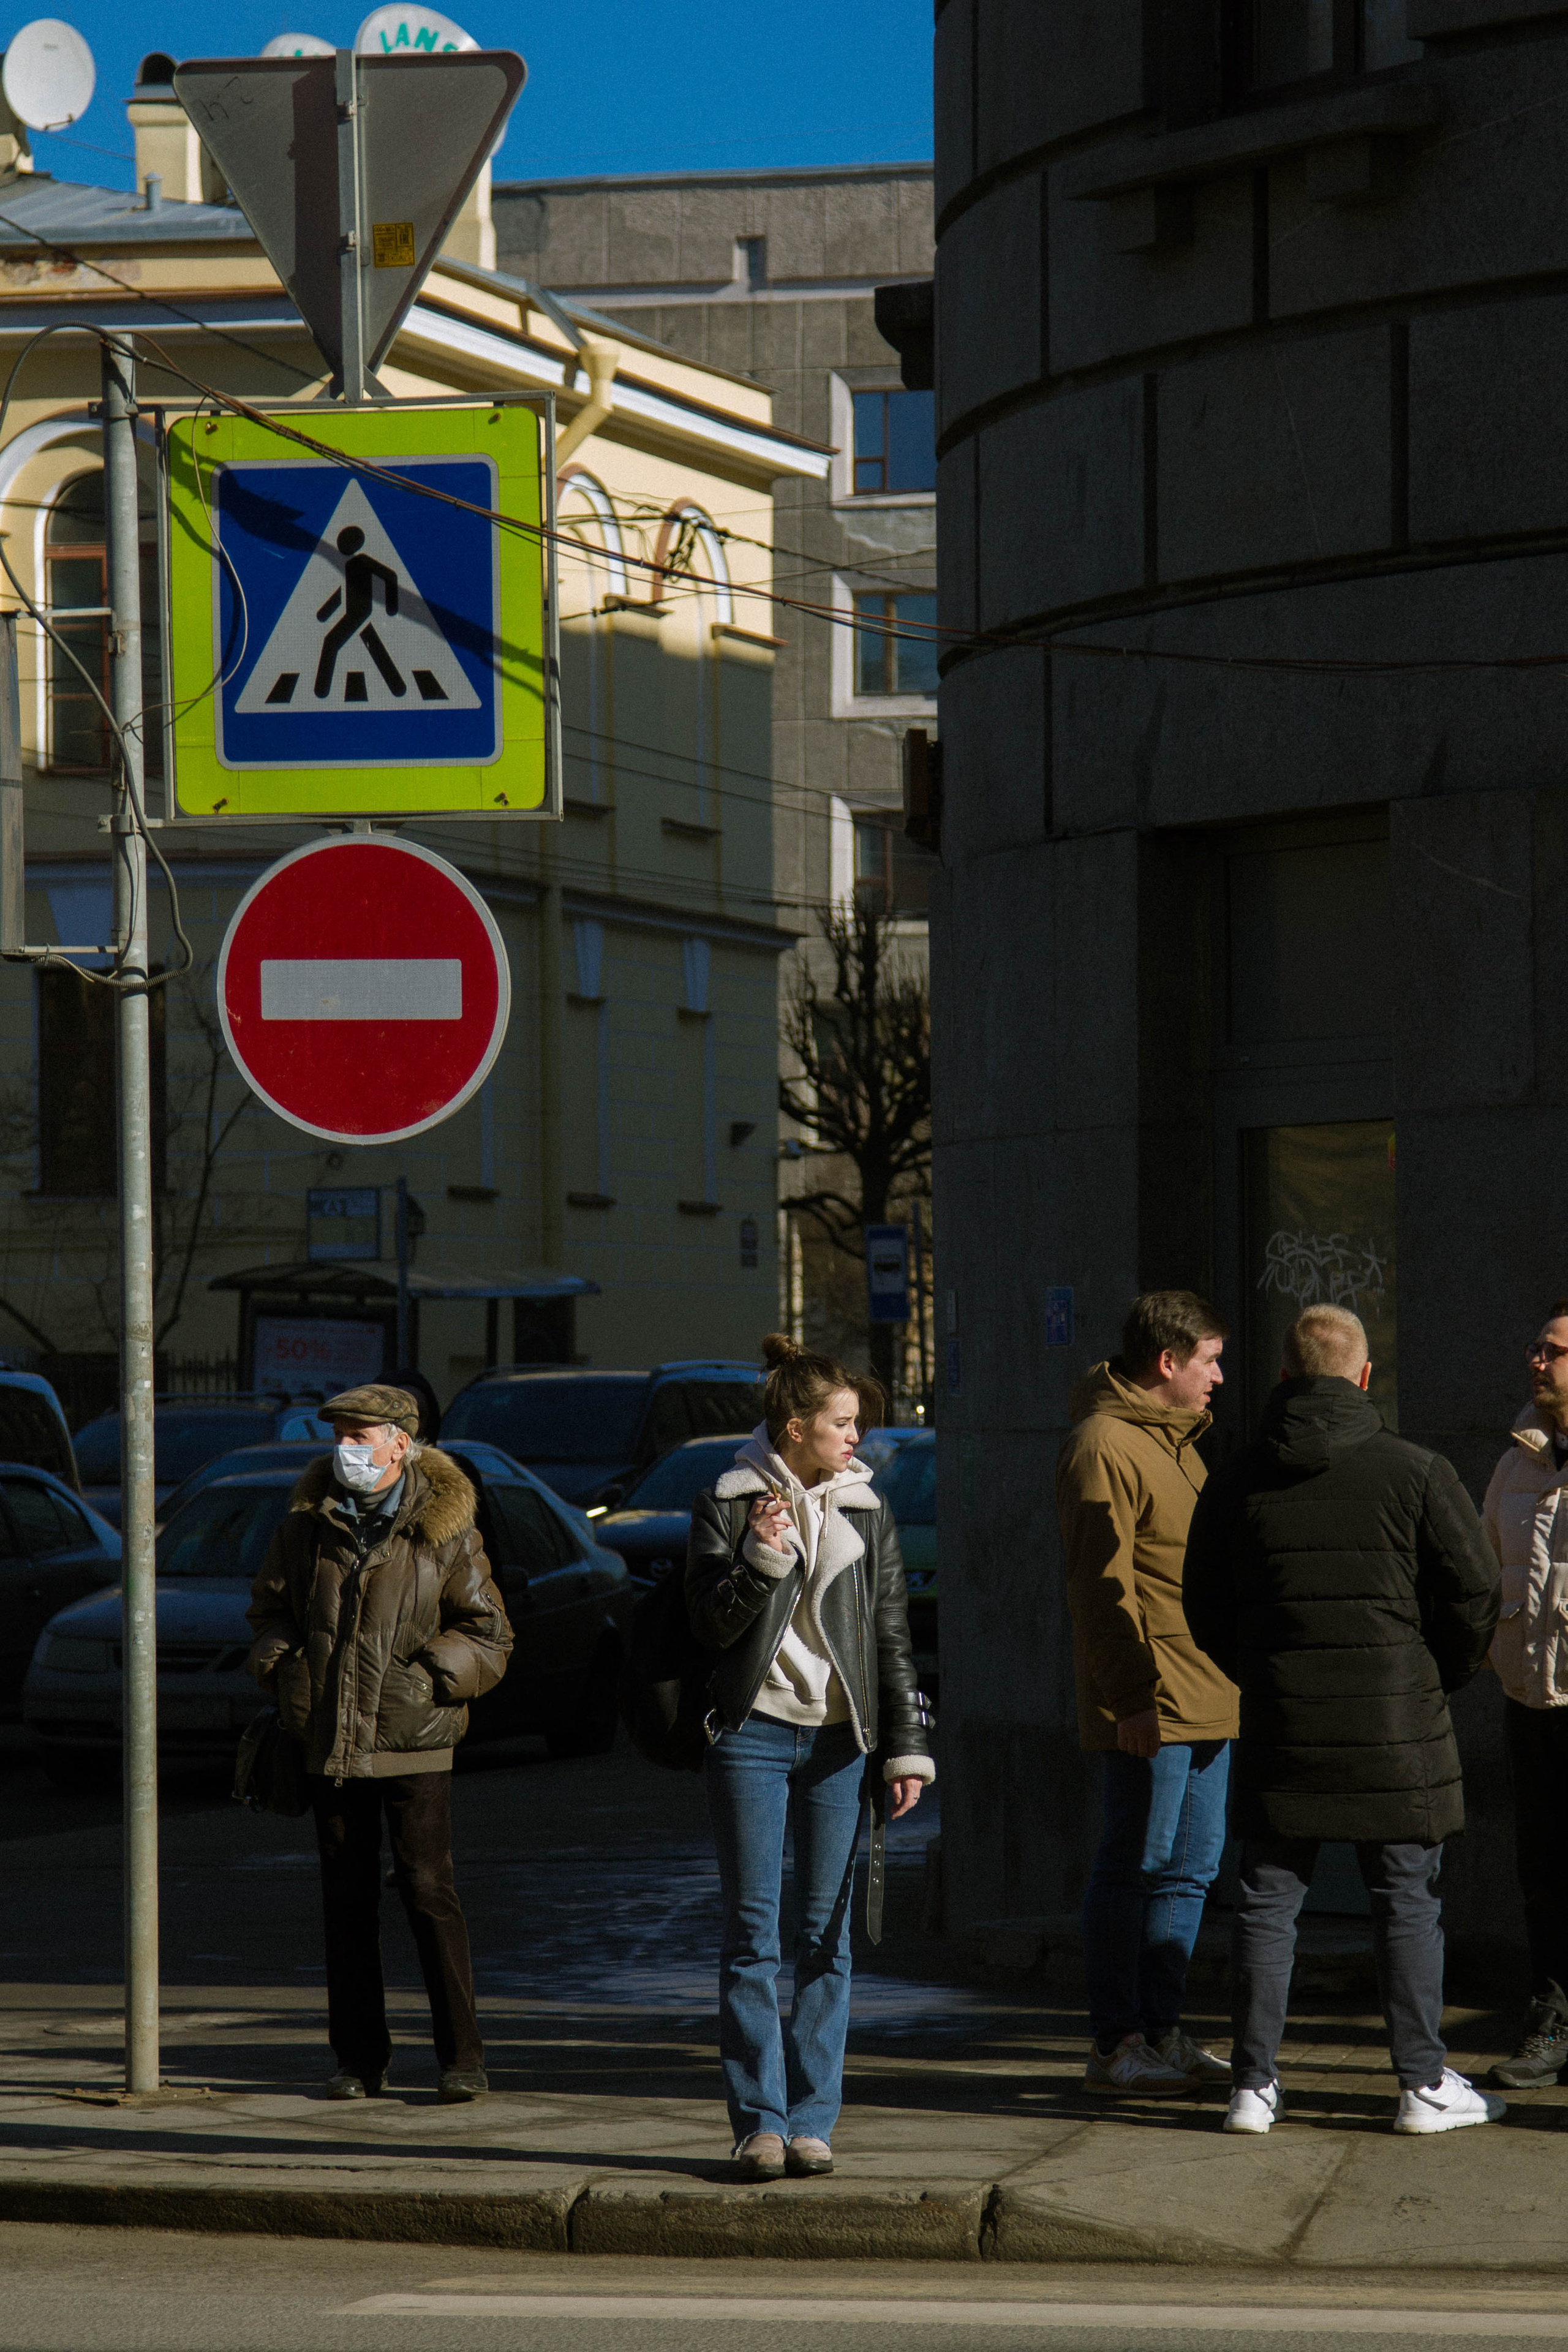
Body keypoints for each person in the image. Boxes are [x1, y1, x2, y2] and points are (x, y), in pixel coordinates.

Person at [1184, 1305, 1503, 2135]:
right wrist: (1439, 1672)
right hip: (1398, 1725)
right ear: (1365, 1377)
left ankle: (1252, 2087)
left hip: (1283, 1722)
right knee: (1405, 1900)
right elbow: (1475, 1592)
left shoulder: (1236, 1479)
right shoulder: (1418, 1471)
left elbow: (1203, 1605)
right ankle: (1421, 2083)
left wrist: (1258, 1672)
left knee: (1266, 1901)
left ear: (1285, 1377)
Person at [685, 1335, 934, 2182]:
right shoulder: (727, 1499)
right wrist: (757, 1559)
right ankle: (760, 2122)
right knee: (753, 1935)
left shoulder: (869, 1509)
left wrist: (905, 1748)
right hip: (750, 1733)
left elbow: (891, 1638)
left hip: (838, 1742)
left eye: (856, 1423)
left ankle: (814, 2122)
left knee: (827, 1934)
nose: (856, 1437)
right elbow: (707, 1630)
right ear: (794, 1429)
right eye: (842, 1423)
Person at [246, 1383, 511, 2102]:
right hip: (330, 1738)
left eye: (362, 1435)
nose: (347, 1449)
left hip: (412, 1741)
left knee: (428, 1890)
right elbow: (269, 1613)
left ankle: (462, 2058)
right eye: (339, 1434)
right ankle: (358, 2060)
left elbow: (489, 1633)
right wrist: (288, 1668)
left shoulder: (445, 1529)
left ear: (402, 1443)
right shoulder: (306, 1526)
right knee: (346, 1899)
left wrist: (427, 1680)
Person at [1057, 1289, 1238, 2098]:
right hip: (1153, 1702)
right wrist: (1132, 1696)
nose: (1220, 1377)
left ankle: (1162, 2034)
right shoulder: (1105, 1445)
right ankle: (1115, 2044)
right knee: (1133, 1868)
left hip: (1209, 1696)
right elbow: (1103, 1589)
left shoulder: (1180, 1443)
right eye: (1209, 1360)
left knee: (1189, 1874)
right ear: (1167, 1363)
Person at [1482, 1297, 1568, 2088]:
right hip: (1532, 1704)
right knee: (1543, 1872)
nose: (1536, 1362)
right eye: (1537, 1348)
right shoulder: (1517, 1462)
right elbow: (1482, 1575)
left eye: (1554, 1351)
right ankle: (1551, 2016)